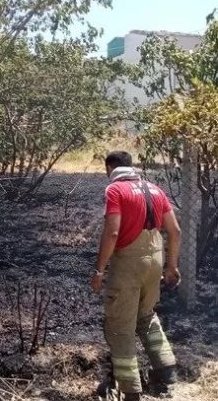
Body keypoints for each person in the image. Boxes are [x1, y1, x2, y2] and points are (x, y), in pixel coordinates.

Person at [92, 151, 181, 400]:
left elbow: (112, 233)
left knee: (120, 327)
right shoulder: (155, 189)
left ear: (110, 168)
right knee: (146, 317)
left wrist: (99, 270)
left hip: (128, 266)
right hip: (155, 261)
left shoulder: (115, 191)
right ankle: (166, 373)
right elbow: (175, 231)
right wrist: (171, 267)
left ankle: (131, 390)